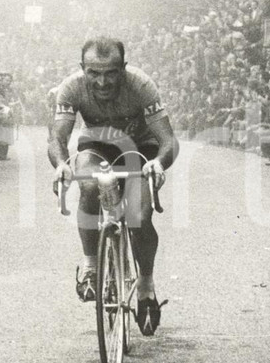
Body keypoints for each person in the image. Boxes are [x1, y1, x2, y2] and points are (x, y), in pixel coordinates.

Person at [49, 36, 178, 336]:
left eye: (111, 72)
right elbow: (57, 138)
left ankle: (146, 285)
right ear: (82, 69)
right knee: (90, 187)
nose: (103, 82)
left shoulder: (141, 85)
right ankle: (91, 267)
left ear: (124, 68)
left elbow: (168, 139)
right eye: (93, 73)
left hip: (139, 147)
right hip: (96, 146)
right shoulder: (71, 87)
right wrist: (60, 165)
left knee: (139, 217)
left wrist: (158, 163)